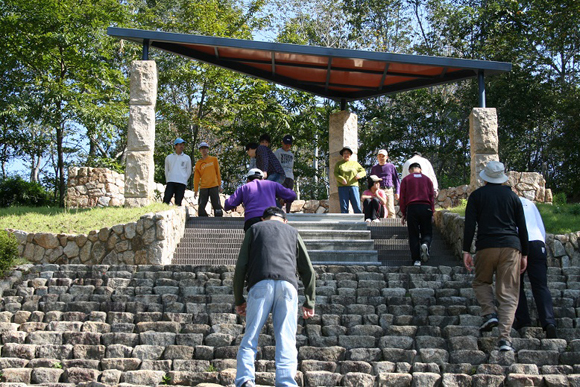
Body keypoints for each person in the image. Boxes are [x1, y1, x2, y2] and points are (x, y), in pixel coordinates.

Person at [233, 206, 316, 387]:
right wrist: (309, 301)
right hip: (288, 286)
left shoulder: (254, 229)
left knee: (251, 336)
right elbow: (308, 269)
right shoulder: (292, 232)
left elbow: (240, 267)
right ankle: (286, 382)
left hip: (260, 284)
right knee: (286, 338)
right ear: (285, 221)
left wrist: (239, 299)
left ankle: (245, 380)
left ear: (263, 219)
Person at [463, 161, 528, 352]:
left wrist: (466, 250)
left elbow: (469, 225)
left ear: (485, 178)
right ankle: (504, 339)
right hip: (511, 247)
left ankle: (489, 313)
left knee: (481, 282)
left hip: (486, 246)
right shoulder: (512, 197)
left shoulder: (477, 196)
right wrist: (525, 253)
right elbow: (522, 227)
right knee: (508, 294)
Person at [514, 196, 557, 338]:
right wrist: (542, 243)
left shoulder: (508, 201)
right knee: (540, 285)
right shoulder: (529, 203)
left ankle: (523, 319)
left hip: (519, 242)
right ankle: (548, 321)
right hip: (537, 242)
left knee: (517, 284)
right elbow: (540, 224)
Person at [224, 168, 296, 231]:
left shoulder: (244, 188)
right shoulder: (272, 184)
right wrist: (284, 200)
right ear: (262, 178)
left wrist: (234, 205)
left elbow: (228, 204)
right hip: (270, 218)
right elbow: (292, 195)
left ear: (248, 180)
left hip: (252, 220)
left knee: (252, 244)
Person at [399, 163, 435, 266]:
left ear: (410, 170)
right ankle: (425, 243)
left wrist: (403, 213)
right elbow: (431, 196)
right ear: (420, 169)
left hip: (412, 207)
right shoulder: (427, 179)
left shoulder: (406, 180)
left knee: (413, 234)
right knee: (427, 231)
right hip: (426, 207)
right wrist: (432, 211)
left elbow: (403, 198)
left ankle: (416, 260)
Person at [193, 141, 223, 217]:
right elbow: (196, 177)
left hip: (214, 185)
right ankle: (204, 220)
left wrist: (219, 185)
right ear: (200, 150)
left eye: (205, 148)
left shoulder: (214, 160)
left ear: (208, 150)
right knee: (201, 206)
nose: (204, 150)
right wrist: (196, 190)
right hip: (204, 187)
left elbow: (218, 172)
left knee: (216, 205)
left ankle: (219, 221)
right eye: (202, 148)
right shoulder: (198, 163)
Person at [334, 146, 366, 213]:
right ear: (342, 155)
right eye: (344, 153)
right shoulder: (339, 164)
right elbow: (336, 173)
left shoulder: (355, 163)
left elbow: (363, 171)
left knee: (356, 205)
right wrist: (341, 179)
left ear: (350, 154)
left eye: (347, 153)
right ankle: (344, 222)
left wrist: (359, 175)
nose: (346, 155)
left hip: (353, 186)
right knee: (344, 206)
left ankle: (358, 221)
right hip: (342, 187)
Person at [370, 149, 400, 218]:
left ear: (386, 157)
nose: (381, 158)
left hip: (388, 190)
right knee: (378, 209)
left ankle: (393, 227)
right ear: (377, 157)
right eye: (379, 156)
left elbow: (396, 180)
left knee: (390, 210)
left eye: (383, 156)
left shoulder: (391, 166)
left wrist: (397, 192)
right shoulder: (374, 168)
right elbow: (371, 180)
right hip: (378, 190)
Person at [163, 138, 192, 206]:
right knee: (166, 199)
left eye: (183, 145)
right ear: (175, 146)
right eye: (179, 145)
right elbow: (166, 170)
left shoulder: (187, 158)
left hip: (181, 182)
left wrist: (184, 179)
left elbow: (189, 171)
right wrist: (168, 179)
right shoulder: (169, 157)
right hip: (171, 181)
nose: (181, 146)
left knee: (178, 202)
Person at [274, 135, 295, 212]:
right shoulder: (278, 152)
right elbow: (274, 164)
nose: (287, 146)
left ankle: (288, 212)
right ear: (282, 143)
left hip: (290, 177)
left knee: (289, 195)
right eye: (286, 144)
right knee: (281, 195)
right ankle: (279, 211)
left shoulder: (291, 154)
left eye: (289, 144)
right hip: (281, 176)